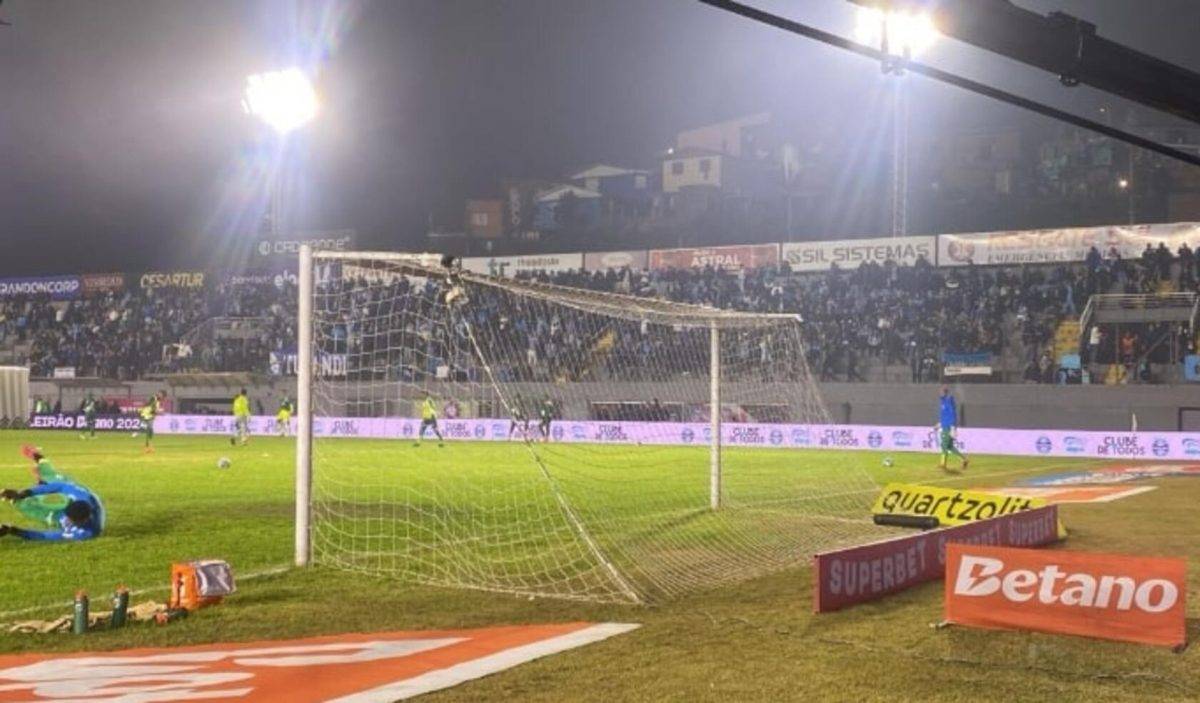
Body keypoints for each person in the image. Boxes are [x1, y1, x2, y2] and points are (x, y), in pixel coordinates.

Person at [0, 445, 104, 542]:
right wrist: (26, 493)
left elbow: (45, 536)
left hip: (67, 511)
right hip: (77, 496)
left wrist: (13, 530)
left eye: (70, 519)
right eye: (68, 517)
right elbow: (60, 486)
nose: (68, 519)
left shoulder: (83, 533)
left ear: (82, 521)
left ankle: (15, 497)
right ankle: (38, 457)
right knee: (51, 477)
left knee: (27, 506)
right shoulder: (79, 494)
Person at [936, 385, 968, 471]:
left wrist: (952, 426)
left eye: (941, 391)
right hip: (946, 425)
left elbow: (951, 414)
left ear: (944, 392)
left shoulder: (948, 401)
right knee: (950, 446)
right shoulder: (943, 402)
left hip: (948, 427)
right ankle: (964, 459)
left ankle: (943, 464)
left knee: (944, 445)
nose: (940, 393)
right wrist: (939, 424)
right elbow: (944, 416)